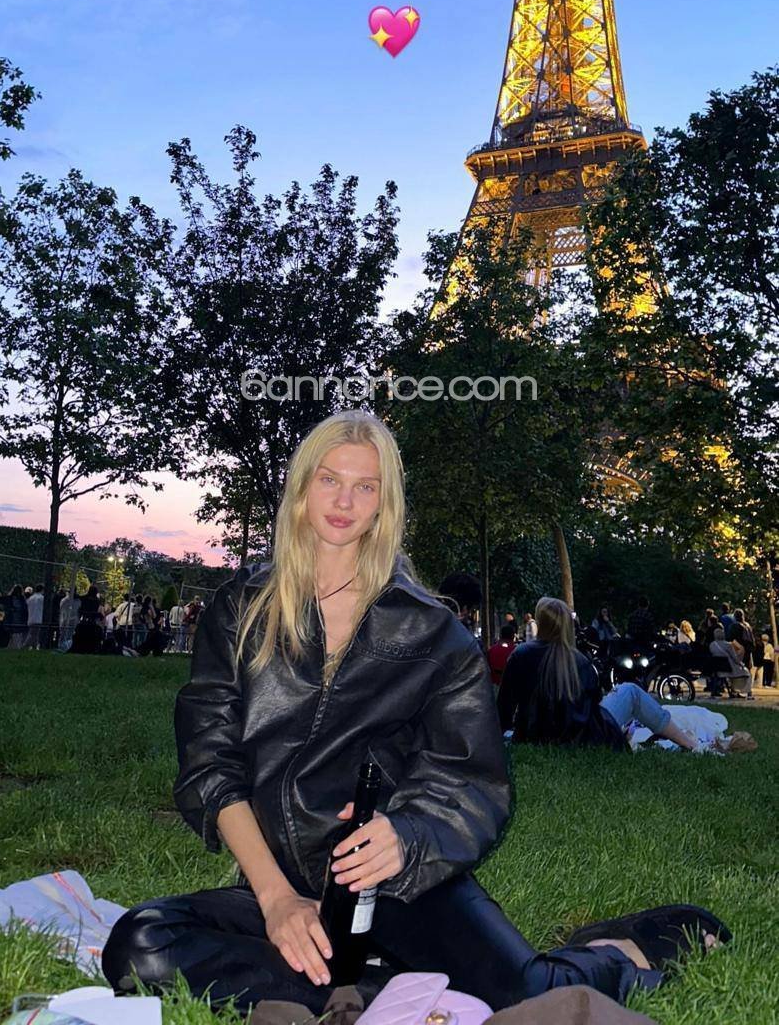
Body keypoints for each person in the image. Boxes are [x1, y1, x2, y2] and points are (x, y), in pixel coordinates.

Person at [101, 411, 728, 1016]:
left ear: (385, 503)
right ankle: (394, 988)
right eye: (329, 479)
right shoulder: (240, 610)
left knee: (528, 998)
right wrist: (275, 899)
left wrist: (407, 837)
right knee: (142, 946)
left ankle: (618, 953)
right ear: (301, 487)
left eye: (365, 486)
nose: (344, 501)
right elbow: (210, 766)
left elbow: (475, 781)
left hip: (396, 876)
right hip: (281, 880)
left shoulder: (433, 633)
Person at [498, 597, 699, 755]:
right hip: (583, 739)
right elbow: (593, 708)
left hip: (534, 736)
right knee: (630, 691)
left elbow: (504, 706)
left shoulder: (520, 654)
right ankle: (690, 744)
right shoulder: (580, 661)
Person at [708, 626, 753, 699]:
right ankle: (745, 692)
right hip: (730, 668)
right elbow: (735, 659)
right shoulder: (728, 645)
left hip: (718, 669)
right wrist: (741, 663)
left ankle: (734, 691)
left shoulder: (712, 645)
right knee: (747, 673)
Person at [70, 585, 104, 654]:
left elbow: (77, 597)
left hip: (86, 620)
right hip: (90, 621)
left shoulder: (85, 598)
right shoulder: (96, 600)